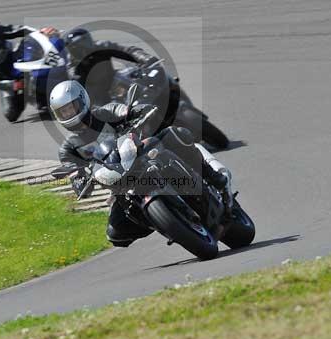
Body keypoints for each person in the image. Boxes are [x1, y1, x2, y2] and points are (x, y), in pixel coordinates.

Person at [49, 80, 232, 248]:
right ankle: (162, 221)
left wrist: (138, 111)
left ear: (82, 101)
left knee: (175, 134)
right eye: (62, 112)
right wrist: (79, 181)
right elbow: (72, 171)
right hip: (119, 183)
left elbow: (125, 111)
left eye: (70, 108)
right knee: (115, 234)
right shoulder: (68, 148)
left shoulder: (104, 113)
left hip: (141, 155)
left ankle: (214, 178)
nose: (68, 114)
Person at [62, 27, 159, 105]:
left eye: (87, 40)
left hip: (114, 79)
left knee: (137, 73)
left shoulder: (101, 46)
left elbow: (126, 50)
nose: (87, 45)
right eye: (83, 44)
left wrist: (144, 57)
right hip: (97, 95)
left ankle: (169, 88)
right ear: (74, 49)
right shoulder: (74, 68)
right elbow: (78, 90)